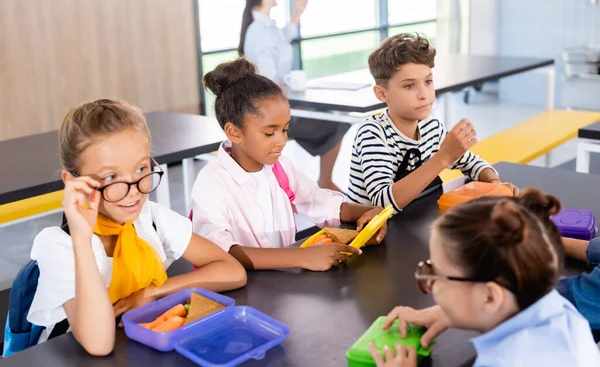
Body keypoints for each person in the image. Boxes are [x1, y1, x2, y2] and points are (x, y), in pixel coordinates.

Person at [27, 99, 246, 355]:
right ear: (73, 182)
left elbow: (233, 271)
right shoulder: (58, 245)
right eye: (111, 177)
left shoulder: (150, 218)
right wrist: (81, 238)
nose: (133, 192)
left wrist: (153, 293)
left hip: (142, 347)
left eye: (141, 169)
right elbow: (99, 344)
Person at [191, 58, 387, 272]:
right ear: (234, 132)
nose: (282, 141)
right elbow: (220, 252)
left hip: (280, 285)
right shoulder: (211, 183)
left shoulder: (280, 168)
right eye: (269, 132)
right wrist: (300, 257)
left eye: (285, 130)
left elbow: (319, 202)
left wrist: (370, 212)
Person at [370, 189, 600, 366]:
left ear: (489, 297)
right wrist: (451, 311)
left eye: (435, 274)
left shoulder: (504, 361)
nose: (431, 286)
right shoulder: (560, 311)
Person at [347, 33, 519, 213]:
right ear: (382, 94)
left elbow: (472, 163)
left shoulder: (432, 129)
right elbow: (382, 204)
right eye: (409, 86)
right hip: (370, 233)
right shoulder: (373, 133)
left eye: (428, 81)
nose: (424, 94)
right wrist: (443, 157)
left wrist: (496, 185)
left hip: (416, 219)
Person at [239, 0, 350, 191]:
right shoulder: (260, 32)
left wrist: (299, 10)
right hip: (270, 112)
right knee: (336, 121)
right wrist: (291, 93)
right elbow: (268, 81)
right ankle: (325, 181)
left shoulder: (265, 27)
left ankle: (324, 180)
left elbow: (284, 36)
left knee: (334, 116)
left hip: (277, 104)